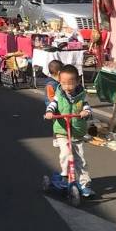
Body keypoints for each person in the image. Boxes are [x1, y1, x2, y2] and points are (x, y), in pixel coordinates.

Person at [44, 64, 94, 198]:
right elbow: (53, 105)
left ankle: (85, 184)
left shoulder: (82, 96)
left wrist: (86, 112)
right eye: (64, 83)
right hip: (62, 131)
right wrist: (49, 112)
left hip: (77, 131)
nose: (67, 87)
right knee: (66, 153)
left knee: (80, 160)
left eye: (71, 83)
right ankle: (65, 175)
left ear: (77, 81)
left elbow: (87, 107)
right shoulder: (59, 94)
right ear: (60, 82)